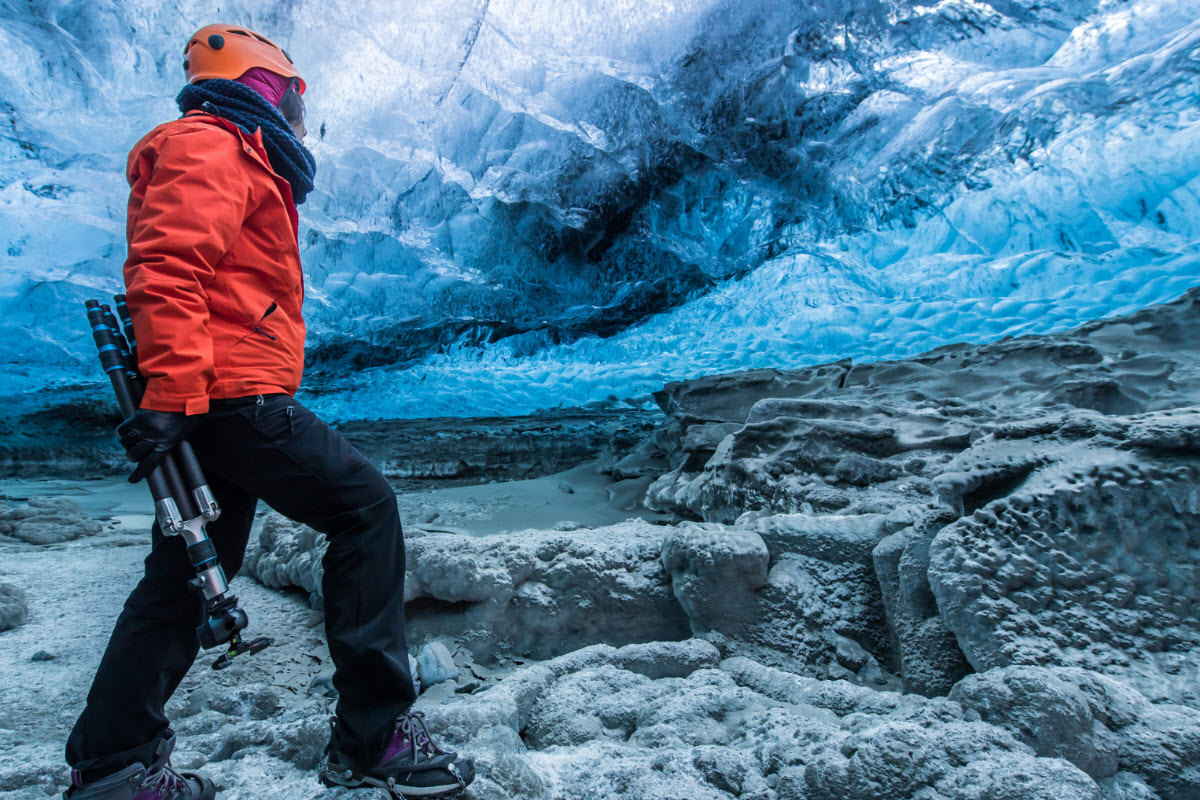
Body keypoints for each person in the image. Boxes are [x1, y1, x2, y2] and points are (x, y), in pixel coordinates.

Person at [61, 24, 474, 800]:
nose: (300, 112)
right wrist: (174, 399)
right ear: (267, 83)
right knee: (366, 510)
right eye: (294, 93)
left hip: (214, 396)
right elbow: (169, 268)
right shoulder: (211, 143)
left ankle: (114, 766)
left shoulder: (239, 154)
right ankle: (374, 737)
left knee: (181, 577)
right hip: (227, 397)